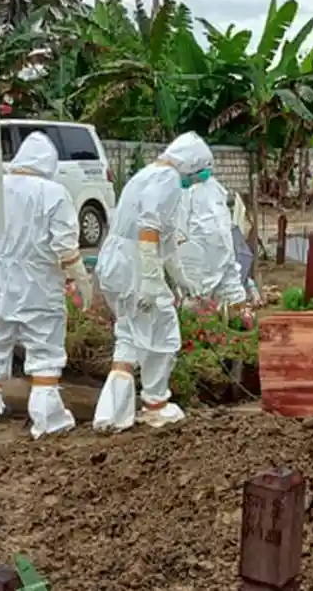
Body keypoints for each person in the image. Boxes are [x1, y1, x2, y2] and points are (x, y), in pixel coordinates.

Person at [0, 132, 91, 439]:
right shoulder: (53, 193)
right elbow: (66, 246)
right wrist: (82, 281)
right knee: (44, 347)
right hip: (39, 283)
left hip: (1, 279)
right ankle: (47, 418)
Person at [92, 132, 205, 431]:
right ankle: (155, 405)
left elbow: (164, 241)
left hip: (117, 263)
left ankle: (111, 413)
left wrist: (179, 276)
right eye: (201, 170)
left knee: (130, 333)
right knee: (162, 332)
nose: (200, 177)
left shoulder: (148, 176)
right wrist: (152, 280)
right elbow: (149, 230)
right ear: (191, 163)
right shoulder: (167, 178)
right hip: (134, 267)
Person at [175, 149, 250, 313]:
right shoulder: (183, 192)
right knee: (197, 305)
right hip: (199, 262)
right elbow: (179, 232)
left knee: (235, 303)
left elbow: (224, 225)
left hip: (223, 256)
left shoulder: (215, 188)